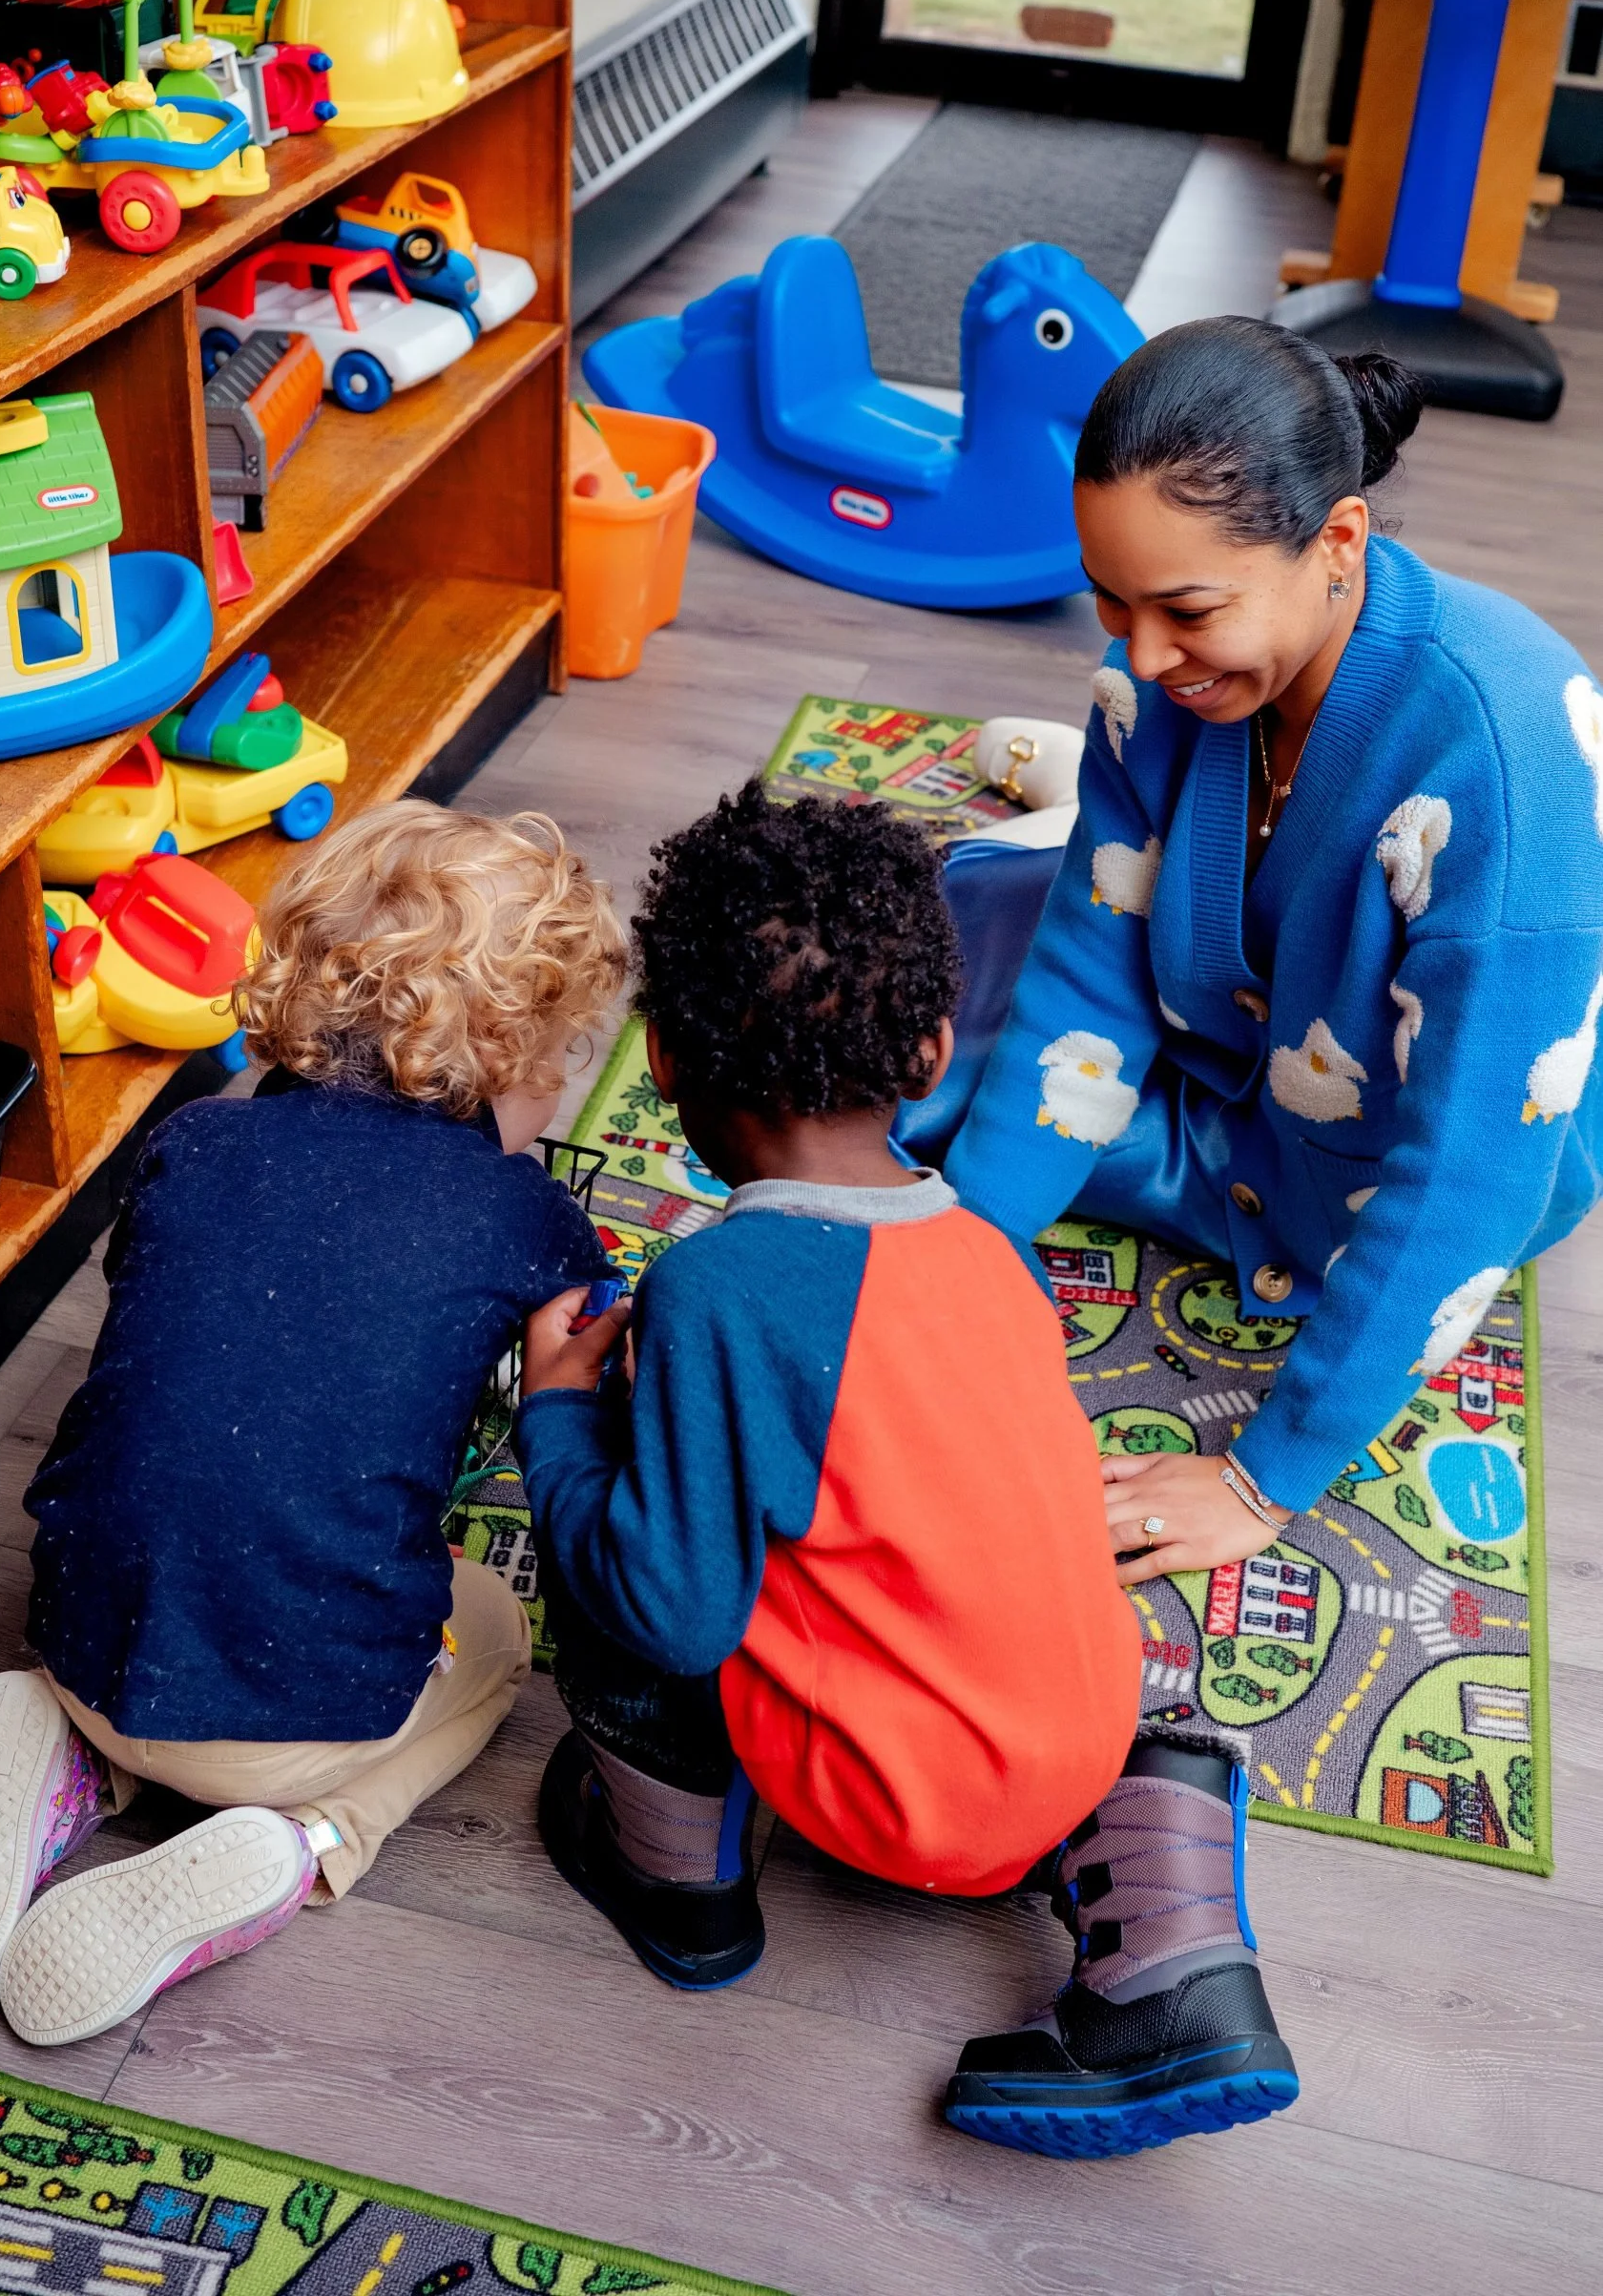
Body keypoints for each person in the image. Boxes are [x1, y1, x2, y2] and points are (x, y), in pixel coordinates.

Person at [517, 783, 1300, 2160]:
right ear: (937, 1050)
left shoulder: (716, 1286)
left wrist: (561, 1418)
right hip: (1068, 1754)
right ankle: (1176, 1975)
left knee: (622, 1549)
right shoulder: (992, 1259)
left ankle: (682, 1896)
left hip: (896, 1812)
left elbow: (672, 1606)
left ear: (666, 1064)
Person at [915, 316, 1603, 1579]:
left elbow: (1466, 1178)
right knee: (912, 1052)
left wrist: (1257, 1478)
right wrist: (972, 1251)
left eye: (1182, 608)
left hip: (1379, 1135)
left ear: (1337, 543)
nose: (1135, 654)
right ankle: (1070, 804)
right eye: (1108, 603)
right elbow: (1090, 968)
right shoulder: (1159, 683)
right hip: (1228, 1044)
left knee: (980, 936)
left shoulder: (1501, 766)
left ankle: (1058, 809)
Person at [0, 798, 623, 2046]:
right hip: (297, 1720)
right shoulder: (517, 1213)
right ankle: (309, 1844)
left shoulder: (193, 1139)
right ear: (508, 1063)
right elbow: (573, 1363)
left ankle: (75, 1757)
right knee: (490, 1626)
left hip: (77, 1635)